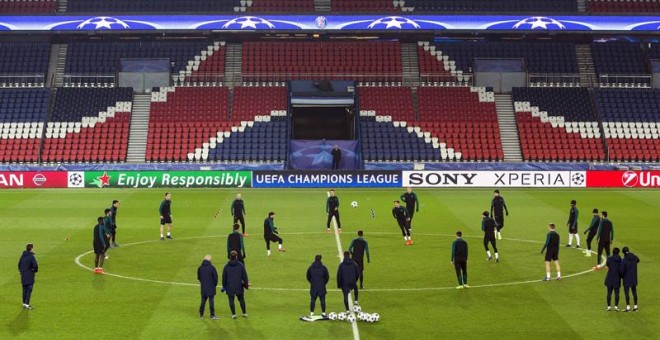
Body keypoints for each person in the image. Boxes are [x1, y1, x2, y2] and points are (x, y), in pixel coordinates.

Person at [222, 251, 249, 319]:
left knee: (231, 300)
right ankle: (244, 313)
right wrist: (246, 286)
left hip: (229, 286)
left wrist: (224, 286)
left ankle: (234, 314)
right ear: (236, 256)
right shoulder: (240, 265)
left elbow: (224, 277)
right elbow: (245, 276)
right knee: (241, 299)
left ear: (230, 257)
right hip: (239, 285)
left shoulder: (226, 266)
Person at [197, 255, 219, 320]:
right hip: (211, 287)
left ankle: (201, 314)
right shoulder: (212, 268)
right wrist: (214, 285)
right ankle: (212, 315)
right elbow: (215, 278)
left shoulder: (200, 268)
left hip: (203, 287)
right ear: (210, 260)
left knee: (203, 301)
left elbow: (199, 277)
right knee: (211, 301)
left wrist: (203, 282)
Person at [18, 243, 38, 310]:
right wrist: (34, 270)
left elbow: (19, 265)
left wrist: (22, 272)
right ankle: (27, 304)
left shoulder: (22, 256)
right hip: (29, 276)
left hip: (23, 276)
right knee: (29, 290)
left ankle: (24, 303)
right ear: (31, 249)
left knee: (24, 290)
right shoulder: (31, 257)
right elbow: (35, 266)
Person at [620, 246, 640, 312]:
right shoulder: (634, 257)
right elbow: (638, 260)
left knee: (627, 293)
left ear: (623, 253)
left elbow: (622, 270)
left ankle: (628, 307)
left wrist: (622, 276)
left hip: (626, 278)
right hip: (634, 277)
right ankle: (635, 306)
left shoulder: (624, 260)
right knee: (634, 292)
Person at [604, 247, 622, 311]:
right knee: (617, 293)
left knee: (609, 293)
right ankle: (616, 307)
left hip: (610, 277)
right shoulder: (620, 260)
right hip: (617, 278)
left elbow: (607, 266)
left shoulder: (609, 259)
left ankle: (609, 307)